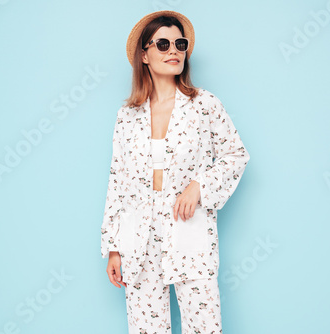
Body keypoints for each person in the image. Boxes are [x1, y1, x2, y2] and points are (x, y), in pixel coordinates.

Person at [100, 10, 250, 333]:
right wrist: (113, 245)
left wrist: (200, 186)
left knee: (204, 326)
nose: (173, 51)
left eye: (179, 44)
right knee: (146, 329)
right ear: (144, 54)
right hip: (138, 239)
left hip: (189, 230)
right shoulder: (127, 116)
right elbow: (118, 180)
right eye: (163, 43)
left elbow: (236, 155)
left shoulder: (204, 105)